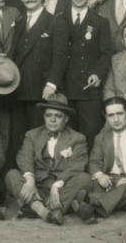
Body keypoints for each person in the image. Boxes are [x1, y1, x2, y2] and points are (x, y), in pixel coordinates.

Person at [6, 93, 91, 225]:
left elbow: (76, 166)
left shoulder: (77, 138)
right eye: (48, 115)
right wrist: (30, 180)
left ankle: (29, 206)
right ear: (44, 117)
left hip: (61, 188)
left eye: (58, 116)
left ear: (66, 118)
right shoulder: (32, 135)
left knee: (84, 178)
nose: (52, 120)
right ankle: (47, 211)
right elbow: (25, 157)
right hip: (37, 186)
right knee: (12, 175)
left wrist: (56, 187)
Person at [11, 0, 68, 158]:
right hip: (18, 91)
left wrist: (51, 84)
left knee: (40, 136)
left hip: (42, 91)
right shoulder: (18, 23)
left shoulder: (56, 22)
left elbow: (60, 57)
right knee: (19, 137)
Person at [78, 96, 126, 220]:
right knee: (88, 181)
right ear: (106, 118)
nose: (116, 119)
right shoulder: (101, 138)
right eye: (111, 115)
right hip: (110, 180)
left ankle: (91, 202)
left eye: (119, 114)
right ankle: (97, 205)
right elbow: (93, 162)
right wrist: (100, 175)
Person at [63, 0, 114, 147]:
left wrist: (98, 73)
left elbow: (106, 53)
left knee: (90, 133)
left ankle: (90, 173)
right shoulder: (58, 20)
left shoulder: (100, 22)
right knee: (67, 135)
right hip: (65, 88)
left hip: (89, 88)